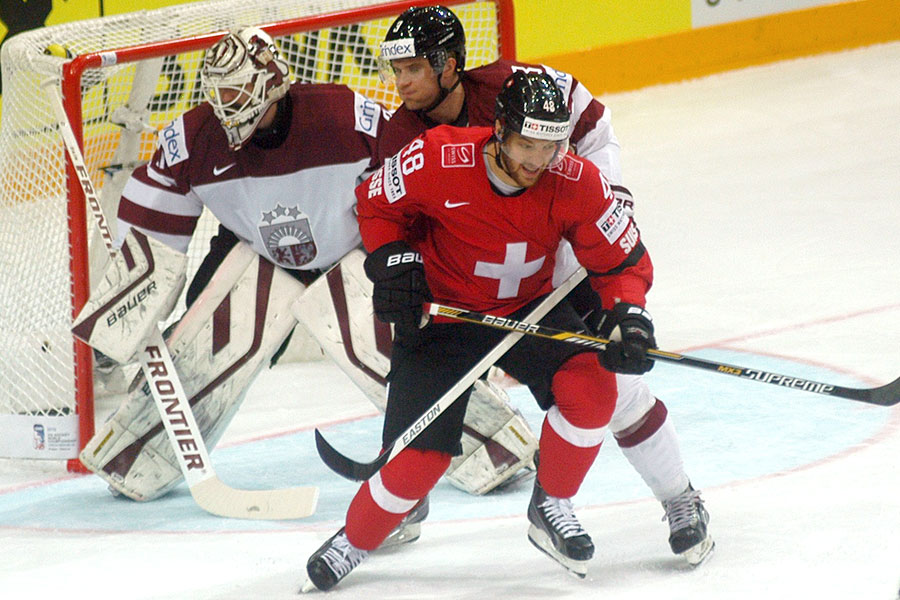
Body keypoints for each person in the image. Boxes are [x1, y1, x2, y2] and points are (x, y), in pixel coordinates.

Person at [301, 71, 687, 592]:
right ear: (499, 129)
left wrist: (629, 317)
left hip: (528, 308)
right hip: (442, 317)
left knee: (593, 388)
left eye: (549, 146)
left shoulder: (575, 181)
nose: (536, 161)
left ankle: (552, 504)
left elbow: (622, 260)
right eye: (526, 144)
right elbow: (374, 201)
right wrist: (393, 261)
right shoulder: (437, 156)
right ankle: (352, 541)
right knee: (419, 462)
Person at [367, 2, 712, 564]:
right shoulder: (401, 135)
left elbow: (594, 123)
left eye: (413, 68)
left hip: (561, 256)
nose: (400, 82)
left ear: (449, 64)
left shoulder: (516, 86)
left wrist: (609, 205)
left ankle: (680, 497)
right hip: (484, 282)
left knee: (616, 382)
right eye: (395, 69)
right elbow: (390, 212)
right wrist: (399, 268)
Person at [79, 26, 390, 508]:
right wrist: (132, 305)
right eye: (217, 92)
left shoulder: (343, 114)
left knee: (391, 346)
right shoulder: (194, 138)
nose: (224, 104)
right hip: (254, 254)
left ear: (270, 82)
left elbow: (408, 180)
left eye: (235, 90)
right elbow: (149, 227)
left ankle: (484, 445)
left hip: (354, 251)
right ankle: (137, 456)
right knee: (204, 349)